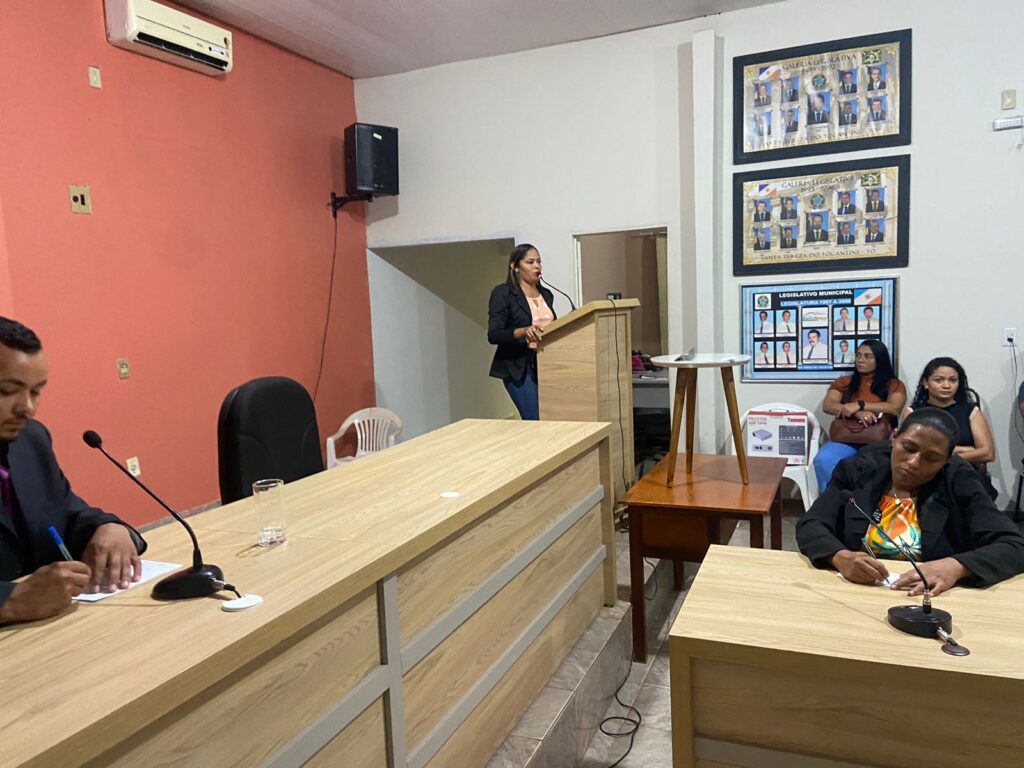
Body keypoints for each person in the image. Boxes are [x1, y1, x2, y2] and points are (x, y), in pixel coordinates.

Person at [0, 318, 147, 624]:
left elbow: (66, 514)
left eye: (36, 392)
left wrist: (109, 528)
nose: (27, 408)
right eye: (6, 391)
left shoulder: (31, 439)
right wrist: (9, 602)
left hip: (54, 629)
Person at [797, 408, 1024, 595]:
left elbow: (1014, 546)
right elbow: (811, 523)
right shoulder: (858, 469)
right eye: (909, 448)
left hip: (930, 598)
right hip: (855, 590)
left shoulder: (959, 480)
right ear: (894, 438)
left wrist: (957, 566)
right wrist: (839, 556)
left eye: (931, 458)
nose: (914, 462)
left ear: (945, 462)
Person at [813, 339, 906, 493]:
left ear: (880, 359)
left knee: (874, 468)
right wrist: (857, 413)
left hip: (877, 441)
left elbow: (894, 408)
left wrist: (861, 405)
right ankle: (831, 501)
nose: (860, 360)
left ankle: (863, 504)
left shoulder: (893, 384)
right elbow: (828, 405)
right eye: (858, 355)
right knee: (823, 460)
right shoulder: (844, 381)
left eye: (868, 356)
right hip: (845, 438)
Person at [902, 357, 997, 499]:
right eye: (939, 380)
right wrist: (964, 450)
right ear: (925, 383)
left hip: (963, 474)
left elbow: (988, 453)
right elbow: (906, 450)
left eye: (953, 380)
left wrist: (938, 457)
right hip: (923, 475)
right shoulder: (912, 412)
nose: (946, 385)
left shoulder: (971, 411)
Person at [488, 243, 556, 420]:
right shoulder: (504, 293)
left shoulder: (547, 294)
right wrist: (523, 331)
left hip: (547, 364)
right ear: (515, 266)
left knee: (552, 418)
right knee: (536, 419)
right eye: (530, 262)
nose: (537, 266)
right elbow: (494, 334)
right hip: (519, 366)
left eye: (539, 262)